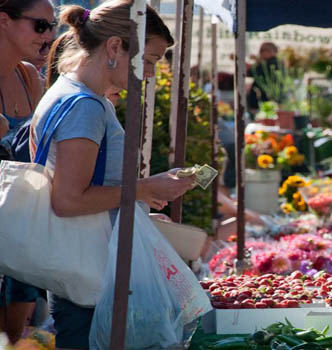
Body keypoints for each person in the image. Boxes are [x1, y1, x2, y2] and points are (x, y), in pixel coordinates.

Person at [29, 2, 192, 349]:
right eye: (149, 60)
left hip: (81, 276)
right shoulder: (85, 106)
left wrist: (142, 196)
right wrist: (144, 189)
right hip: (90, 285)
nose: (150, 73)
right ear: (115, 47)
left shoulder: (70, 94)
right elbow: (68, 199)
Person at [0, 0, 54, 344]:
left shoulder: (28, 77)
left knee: (13, 340)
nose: (48, 36)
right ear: (4, 21)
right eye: (40, 26)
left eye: (53, 27)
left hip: (20, 235)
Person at [247, 42, 281, 115]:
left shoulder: (274, 63)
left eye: (263, 50)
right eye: (261, 51)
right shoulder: (265, 63)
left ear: (272, 51)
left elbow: (253, 72)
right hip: (262, 101)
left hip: (267, 101)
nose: (261, 53)